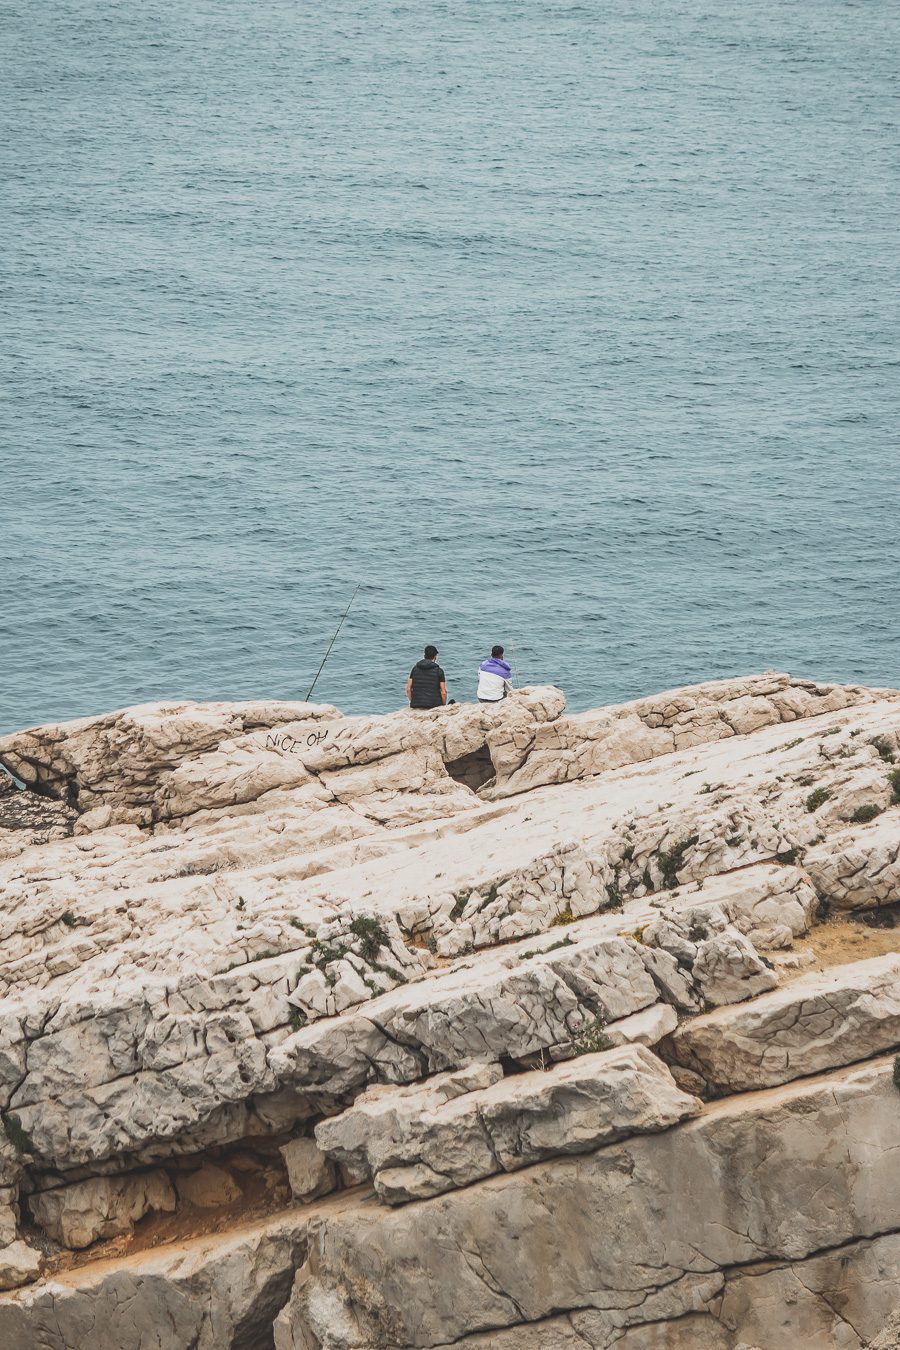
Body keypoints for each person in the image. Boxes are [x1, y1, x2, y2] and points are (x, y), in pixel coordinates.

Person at [407, 645, 447, 709]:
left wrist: (413, 702)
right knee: (452, 701)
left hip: (416, 704)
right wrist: (444, 705)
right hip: (434, 705)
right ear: (435, 656)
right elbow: (443, 692)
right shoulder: (439, 671)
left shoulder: (415, 669)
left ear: (424, 655)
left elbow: (408, 689)